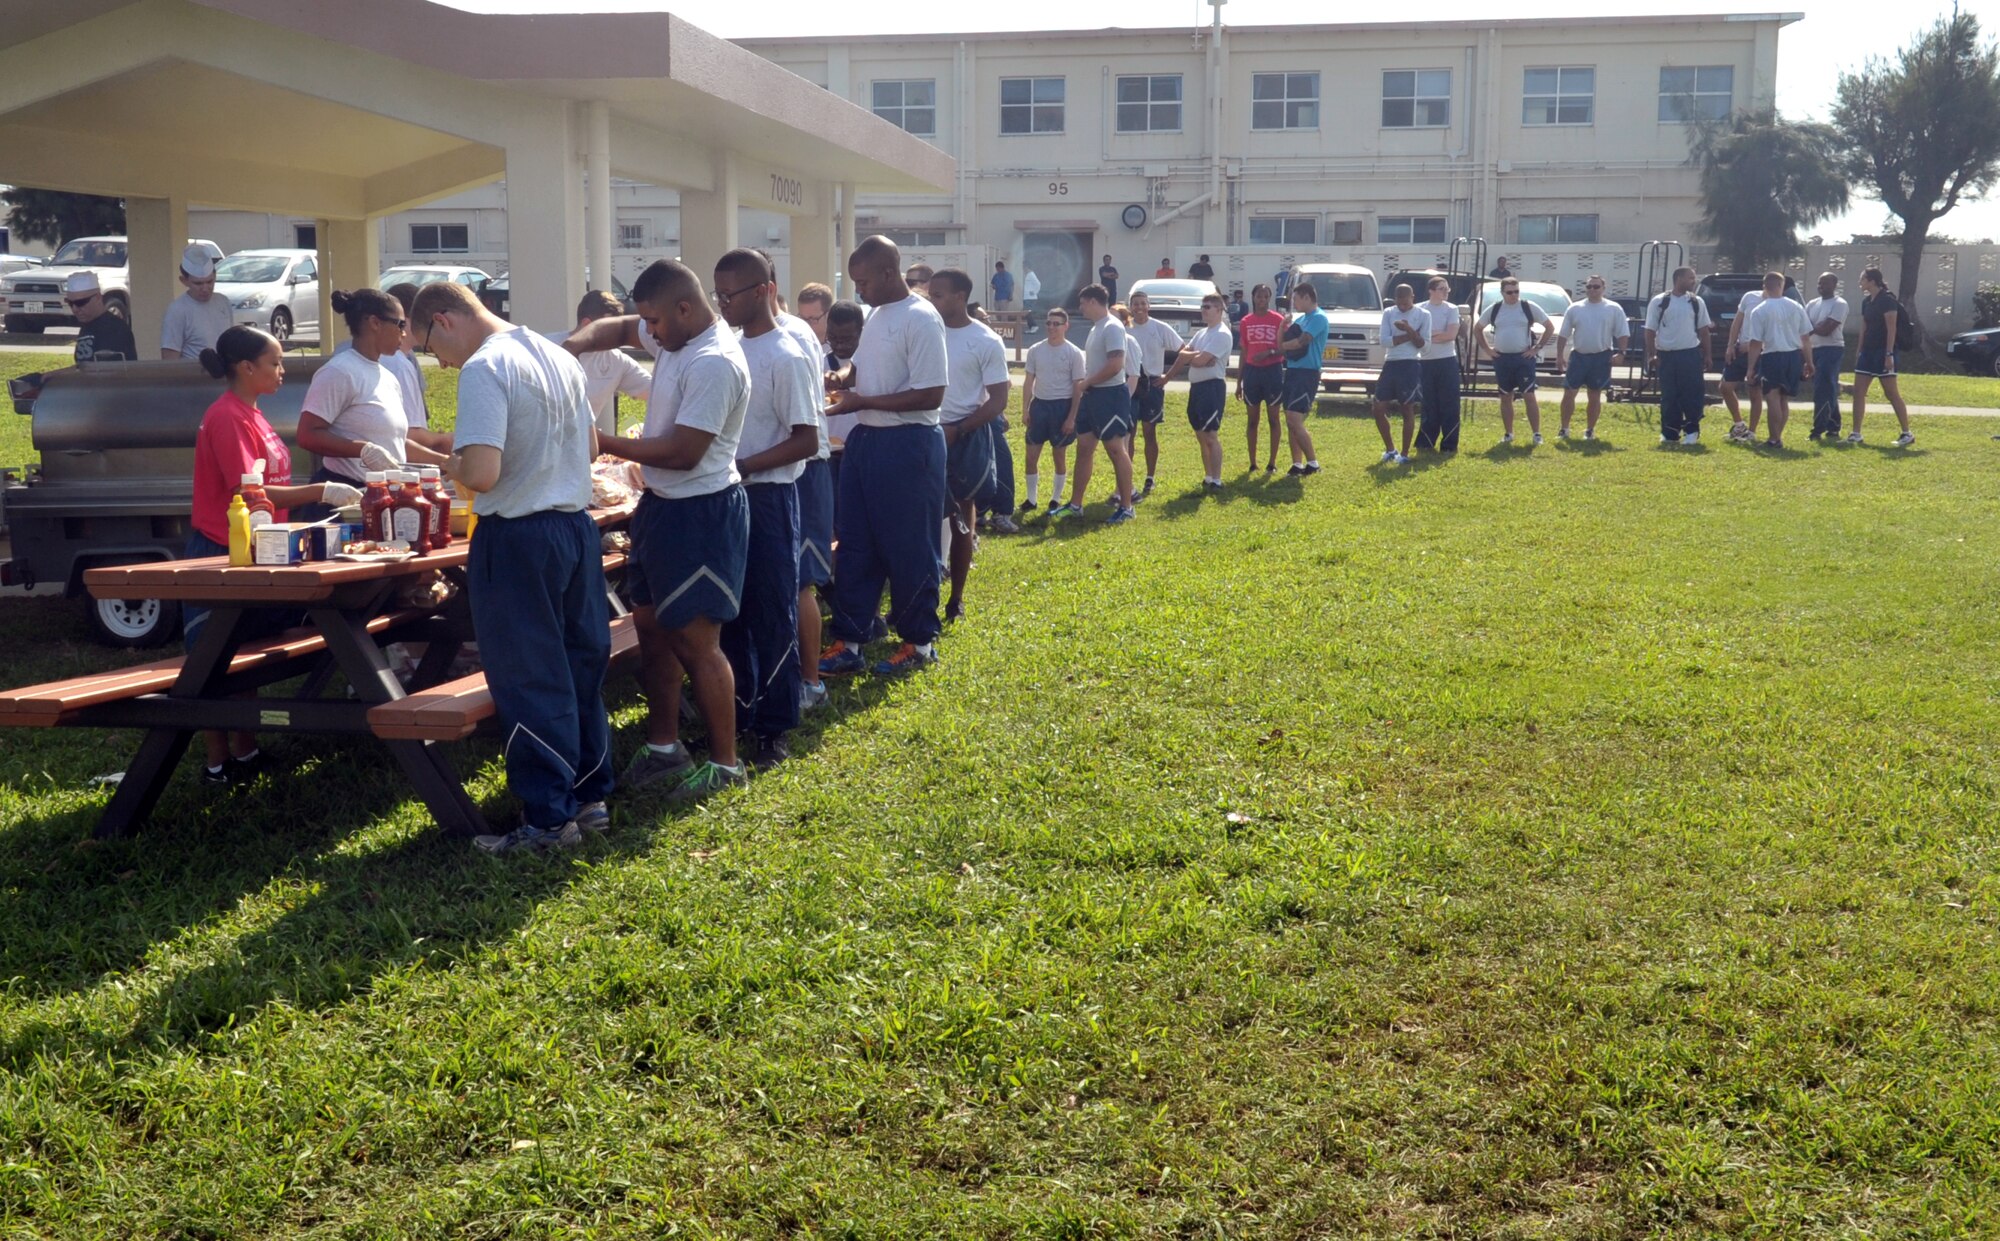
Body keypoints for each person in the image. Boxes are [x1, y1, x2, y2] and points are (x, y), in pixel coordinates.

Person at [409, 281, 610, 849]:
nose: (439, 363)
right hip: (574, 525)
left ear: (443, 320)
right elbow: (592, 448)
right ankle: (590, 797)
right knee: (579, 667)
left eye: (429, 346)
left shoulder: (483, 367)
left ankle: (547, 819)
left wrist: (434, 458)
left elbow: (481, 474)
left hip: (517, 534)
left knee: (528, 674)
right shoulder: (555, 354)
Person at [565, 258, 752, 801]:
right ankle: (665, 748)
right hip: (660, 508)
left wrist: (603, 442)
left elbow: (685, 453)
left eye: (657, 321)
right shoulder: (674, 335)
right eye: (646, 321)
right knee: (651, 629)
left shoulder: (715, 361)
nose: (649, 332)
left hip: (702, 512)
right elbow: (618, 328)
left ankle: (725, 765)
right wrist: (572, 346)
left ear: (686, 308)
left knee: (697, 641)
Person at [187, 327, 361, 787]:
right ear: (246, 368)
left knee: (245, 653)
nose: (282, 371)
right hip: (223, 548)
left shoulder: (254, 414)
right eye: (275, 362)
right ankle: (217, 764)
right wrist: (321, 489)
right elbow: (250, 490)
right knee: (214, 655)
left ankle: (246, 753)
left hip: (257, 547)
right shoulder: (227, 416)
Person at [818, 236, 951, 677]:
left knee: (909, 547)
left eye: (863, 281)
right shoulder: (876, 315)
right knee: (856, 543)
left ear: (889, 274)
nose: (859, 291)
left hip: (908, 445)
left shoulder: (921, 317)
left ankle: (918, 644)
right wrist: (840, 378)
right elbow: (863, 367)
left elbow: (932, 393)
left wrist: (863, 401)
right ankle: (851, 640)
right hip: (866, 443)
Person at [710, 249, 820, 769]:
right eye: (717, 294)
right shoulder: (728, 347)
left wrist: (744, 466)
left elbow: (806, 440)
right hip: (730, 496)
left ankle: (774, 728)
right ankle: (738, 713)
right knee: (730, 615)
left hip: (770, 497)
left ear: (762, 291)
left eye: (728, 295)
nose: (721, 304)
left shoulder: (787, 354)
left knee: (773, 613)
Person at [296, 288, 449, 515]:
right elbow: (307, 434)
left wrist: (443, 462)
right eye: (399, 325)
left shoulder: (387, 375)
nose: (404, 333)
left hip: (383, 497)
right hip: (345, 500)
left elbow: (392, 444)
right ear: (374, 323)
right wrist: (362, 450)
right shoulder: (340, 371)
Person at [928, 269, 1010, 621]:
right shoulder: (925, 330)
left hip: (964, 436)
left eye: (939, 295)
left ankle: (955, 599)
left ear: (960, 296)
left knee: (962, 516)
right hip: (924, 432)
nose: (932, 301)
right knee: (920, 520)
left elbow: (998, 401)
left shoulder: (986, 340)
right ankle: (918, 597)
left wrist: (959, 429)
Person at [1053, 284, 1136, 523]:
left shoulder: (1112, 326)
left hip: (1110, 396)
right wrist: (1087, 385)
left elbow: (1115, 364)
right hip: (1092, 396)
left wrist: (1086, 382)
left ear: (1092, 301)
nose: (1080, 308)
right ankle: (1076, 504)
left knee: (1115, 450)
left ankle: (1127, 506)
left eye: (1082, 303)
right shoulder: (1096, 328)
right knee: (1084, 449)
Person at [1158, 293, 1232, 489]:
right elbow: (1183, 355)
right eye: (1202, 306)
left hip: (1212, 388)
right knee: (1200, 435)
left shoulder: (1222, 334)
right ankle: (1208, 476)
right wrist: (1197, 356)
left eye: (1208, 307)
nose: (1203, 310)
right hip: (1197, 389)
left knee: (1210, 435)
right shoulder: (1202, 333)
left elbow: (1197, 360)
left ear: (1219, 310)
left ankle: (1217, 479)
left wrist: (1196, 357)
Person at [1020, 306, 1086, 515]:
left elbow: (1078, 387)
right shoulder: (1036, 350)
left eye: (1056, 324)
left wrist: (1071, 417)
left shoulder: (1074, 353)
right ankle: (1031, 499)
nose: (1051, 327)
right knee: (1031, 456)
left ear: (1066, 326)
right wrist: (1025, 409)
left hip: (1062, 407)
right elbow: (1029, 380)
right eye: (1048, 323)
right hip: (1039, 406)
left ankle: (1055, 499)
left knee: (1059, 455)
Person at [1741, 270, 1815, 449]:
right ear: (1781, 286)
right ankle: (1778, 436)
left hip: (1772, 356)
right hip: (1793, 356)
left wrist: (1751, 368)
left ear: (1764, 286)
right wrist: (1810, 362)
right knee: (1784, 398)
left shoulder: (1760, 310)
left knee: (1772, 397)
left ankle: (1774, 439)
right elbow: (1805, 338)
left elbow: (1756, 342)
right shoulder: (1796, 307)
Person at [564, 288, 652, 437]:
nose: (616, 337)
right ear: (587, 325)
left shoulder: (616, 360)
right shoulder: (546, 347)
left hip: (583, 448)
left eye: (616, 329)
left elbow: (656, 393)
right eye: (608, 329)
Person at [1477, 278, 1552, 445]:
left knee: (1529, 395)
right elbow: (1477, 328)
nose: (1514, 295)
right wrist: (1488, 350)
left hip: (1523, 359)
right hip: (1502, 359)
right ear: (1502, 292)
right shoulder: (1495, 309)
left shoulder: (1527, 307)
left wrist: (1536, 348)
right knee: (1505, 396)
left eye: (1516, 291)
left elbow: (1549, 326)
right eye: (1510, 292)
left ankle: (1536, 434)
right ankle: (1509, 433)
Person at [1554, 275, 1629, 441]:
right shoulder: (1575, 308)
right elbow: (1563, 334)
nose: (1592, 290)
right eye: (1589, 287)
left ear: (1603, 289)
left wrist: (1622, 353)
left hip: (1601, 357)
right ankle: (1564, 429)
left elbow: (1622, 333)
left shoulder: (1613, 308)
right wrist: (1560, 356)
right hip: (1579, 356)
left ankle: (1589, 430)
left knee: (1594, 395)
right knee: (1569, 393)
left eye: (1596, 287)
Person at [1644, 266, 1713, 446]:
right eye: (1690, 278)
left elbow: (1704, 331)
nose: (1693, 281)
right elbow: (1650, 330)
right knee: (1669, 395)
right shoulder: (1660, 301)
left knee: (1692, 394)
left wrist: (1707, 355)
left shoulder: (1696, 302)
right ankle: (1670, 432)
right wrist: (1652, 355)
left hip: (1689, 354)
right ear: (1679, 279)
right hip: (1666, 355)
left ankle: (1692, 430)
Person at [1125, 291, 1184, 501]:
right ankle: (1127, 478)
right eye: (1135, 304)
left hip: (1152, 384)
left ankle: (1150, 477)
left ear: (1148, 306)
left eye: (1142, 303)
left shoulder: (1159, 327)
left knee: (1149, 432)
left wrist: (1168, 376)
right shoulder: (1124, 328)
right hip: (1130, 383)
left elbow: (1183, 350)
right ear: (1130, 307)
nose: (1139, 307)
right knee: (1128, 433)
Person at [1850, 267, 1915, 447]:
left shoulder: (1887, 300)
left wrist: (1888, 354)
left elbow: (1891, 328)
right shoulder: (1866, 302)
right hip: (1868, 352)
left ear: (1872, 281)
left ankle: (1906, 433)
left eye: (1863, 279)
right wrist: (1859, 349)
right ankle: (1856, 433)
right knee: (1858, 392)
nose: (1860, 282)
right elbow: (1864, 327)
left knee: (1891, 393)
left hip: (1884, 351)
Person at [1371, 283, 1428, 465]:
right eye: (1400, 303)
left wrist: (1409, 330)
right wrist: (1410, 336)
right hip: (1391, 363)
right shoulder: (1389, 313)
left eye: (1406, 302)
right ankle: (1390, 449)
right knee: (1378, 407)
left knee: (1407, 408)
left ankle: (1404, 453)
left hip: (1410, 363)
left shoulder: (1423, 315)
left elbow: (1424, 346)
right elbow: (1384, 341)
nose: (1403, 307)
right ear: (1395, 300)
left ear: (1413, 298)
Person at [1277, 282, 1326, 475]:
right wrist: (1282, 326)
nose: (1294, 303)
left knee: (1294, 418)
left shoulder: (1318, 318)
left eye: (1296, 299)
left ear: (1307, 297)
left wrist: (1281, 348)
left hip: (1307, 373)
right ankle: (1297, 464)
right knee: (1290, 420)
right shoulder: (1301, 319)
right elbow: (1282, 342)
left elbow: (1301, 341)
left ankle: (1313, 463)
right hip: (1292, 371)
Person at [1236, 284, 1285, 474]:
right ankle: (1252, 462)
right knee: (1252, 420)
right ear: (1253, 298)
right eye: (1259, 296)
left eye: (1265, 296)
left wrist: (1268, 353)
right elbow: (1244, 351)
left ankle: (1272, 462)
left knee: (1273, 419)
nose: (1262, 300)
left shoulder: (1278, 320)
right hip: (1252, 373)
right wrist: (1239, 382)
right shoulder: (1246, 321)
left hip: (1272, 371)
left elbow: (1284, 348)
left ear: (1269, 298)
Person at [160, 242, 234, 361]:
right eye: (198, 283)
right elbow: (169, 359)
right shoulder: (177, 311)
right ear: (184, 281)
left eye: (209, 282)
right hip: (193, 377)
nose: (205, 288)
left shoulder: (223, 302)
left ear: (215, 276)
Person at [1415, 275, 1462, 452]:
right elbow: (1415, 335)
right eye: (1442, 289)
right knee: (1429, 403)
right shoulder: (1420, 309)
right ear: (1431, 291)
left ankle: (1449, 444)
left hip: (1446, 360)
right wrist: (1430, 335)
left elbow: (1450, 335)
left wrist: (1427, 335)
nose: (1446, 292)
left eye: (1447, 289)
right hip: (1425, 361)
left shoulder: (1451, 309)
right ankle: (1426, 441)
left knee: (1449, 403)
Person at [1803, 272, 1849, 441]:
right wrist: (1815, 328)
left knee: (1823, 388)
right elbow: (1804, 327)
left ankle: (1818, 429)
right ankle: (1833, 426)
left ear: (1834, 285)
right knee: (1826, 387)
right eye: (1819, 283)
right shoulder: (1812, 304)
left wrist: (1813, 328)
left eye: (1825, 283)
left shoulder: (1839, 304)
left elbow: (1826, 329)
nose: (1821, 287)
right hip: (1814, 349)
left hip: (1832, 349)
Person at [1720, 286, 1766, 442]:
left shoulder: (1779, 304)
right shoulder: (1750, 296)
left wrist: (1757, 345)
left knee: (1754, 391)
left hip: (1760, 353)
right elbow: (1737, 322)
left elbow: (1778, 332)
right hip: (1740, 349)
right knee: (1725, 387)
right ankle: (1739, 425)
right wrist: (1731, 345)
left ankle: (1751, 432)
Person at [64, 271, 136, 364]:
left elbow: (106, 371)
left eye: (80, 303)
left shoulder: (114, 329)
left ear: (98, 297)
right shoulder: (87, 325)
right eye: (70, 303)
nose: (75, 309)